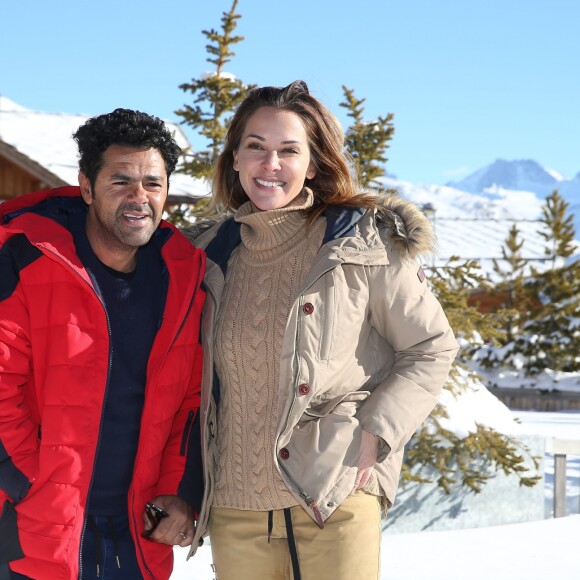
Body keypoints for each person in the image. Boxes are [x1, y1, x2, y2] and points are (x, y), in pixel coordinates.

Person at [185, 80, 459, 579]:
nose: (271, 164)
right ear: (235, 160)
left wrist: (375, 434)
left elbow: (431, 345)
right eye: (256, 148)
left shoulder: (362, 244)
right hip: (233, 506)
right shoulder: (205, 257)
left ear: (312, 164)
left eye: (289, 150)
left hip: (334, 493)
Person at [0, 108, 206, 579]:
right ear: (87, 187)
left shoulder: (181, 276)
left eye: (153, 183)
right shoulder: (25, 257)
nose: (140, 198)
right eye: (121, 182)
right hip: (32, 528)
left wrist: (177, 491)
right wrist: (30, 484)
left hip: (135, 537)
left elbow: (190, 402)